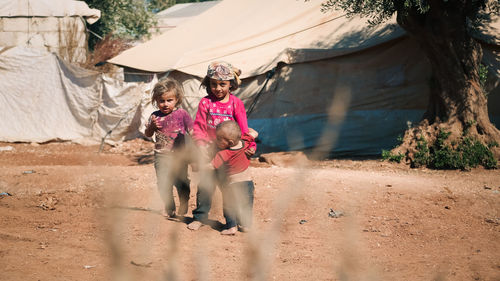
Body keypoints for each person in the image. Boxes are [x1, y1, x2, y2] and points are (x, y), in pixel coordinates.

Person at [187, 61, 255, 230]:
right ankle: (200, 217)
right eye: (214, 84)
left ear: (231, 84)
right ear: (208, 83)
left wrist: (249, 145)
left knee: (229, 188)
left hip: (230, 154)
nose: (218, 88)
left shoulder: (236, 104)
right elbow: (199, 127)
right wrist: (201, 145)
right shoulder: (205, 103)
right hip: (209, 151)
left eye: (222, 84)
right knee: (205, 186)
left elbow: (243, 129)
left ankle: (235, 221)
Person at [145, 78, 194, 218]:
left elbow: (192, 130)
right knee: (163, 182)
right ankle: (169, 207)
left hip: (180, 155)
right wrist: (152, 127)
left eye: (169, 100)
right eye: (161, 101)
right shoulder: (154, 116)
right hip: (161, 155)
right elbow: (148, 134)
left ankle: (184, 203)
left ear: (177, 99)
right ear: (156, 101)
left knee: (182, 181)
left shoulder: (182, 114)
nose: (165, 104)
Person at [210, 121, 258, 235]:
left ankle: (231, 227)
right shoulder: (245, 142)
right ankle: (246, 226)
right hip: (248, 184)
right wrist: (244, 131)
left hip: (232, 186)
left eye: (218, 139)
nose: (216, 140)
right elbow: (255, 133)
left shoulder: (224, 153)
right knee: (246, 205)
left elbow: (211, 166)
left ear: (230, 142)